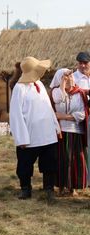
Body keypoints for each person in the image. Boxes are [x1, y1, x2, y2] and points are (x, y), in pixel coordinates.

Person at [10, 56, 60, 200]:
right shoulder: (19, 88)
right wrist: (21, 138)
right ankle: (25, 189)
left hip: (47, 132)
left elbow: (48, 107)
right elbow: (16, 115)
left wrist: (56, 127)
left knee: (50, 162)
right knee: (25, 164)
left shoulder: (39, 84)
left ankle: (48, 189)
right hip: (30, 135)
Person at [50, 68, 88, 196]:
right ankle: (61, 186)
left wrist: (64, 116)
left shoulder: (79, 93)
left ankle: (74, 188)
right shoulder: (56, 92)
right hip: (60, 131)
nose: (70, 79)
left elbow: (82, 114)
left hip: (76, 131)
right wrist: (62, 84)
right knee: (62, 159)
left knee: (76, 159)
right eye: (66, 77)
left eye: (71, 77)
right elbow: (58, 99)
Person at [73, 51, 90, 186]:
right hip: (81, 118)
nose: (83, 65)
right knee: (83, 149)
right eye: (80, 63)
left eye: (85, 63)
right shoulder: (73, 78)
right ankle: (84, 179)